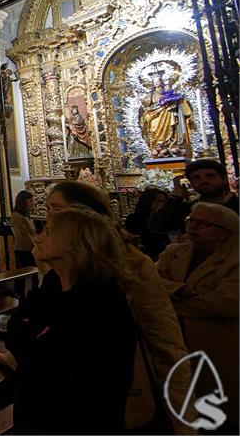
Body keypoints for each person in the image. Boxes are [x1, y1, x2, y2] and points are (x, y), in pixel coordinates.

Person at [45, 180, 193, 434]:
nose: (48, 218)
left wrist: (183, 417)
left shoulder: (132, 264)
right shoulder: (56, 263)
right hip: (65, 390)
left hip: (120, 391)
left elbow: (165, 339)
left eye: (56, 209)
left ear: (84, 214)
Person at [3, 206, 136, 434]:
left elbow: (47, 355)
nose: (37, 237)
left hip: (78, 419)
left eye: (49, 232)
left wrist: (29, 335)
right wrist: (29, 336)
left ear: (76, 244)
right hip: (38, 412)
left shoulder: (100, 298)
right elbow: (16, 328)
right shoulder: (55, 281)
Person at [158, 203, 239, 429]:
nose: (193, 227)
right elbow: (152, 285)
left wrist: (169, 304)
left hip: (221, 350)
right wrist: (182, 291)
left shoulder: (235, 260)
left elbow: (224, 304)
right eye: (190, 220)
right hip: (178, 347)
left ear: (225, 233)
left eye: (202, 223)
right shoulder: (174, 253)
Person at [149, 159, 239, 235]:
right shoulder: (188, 209)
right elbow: (157, 225)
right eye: (196, 177)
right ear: (190, 182)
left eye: (210, 176)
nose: (204, 181)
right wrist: (177, 197)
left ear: (224, 179)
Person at [125, 187, 171, 261]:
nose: (162, 205)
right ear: (148, 202)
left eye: (164, 202)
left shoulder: (162, 219)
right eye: (158, 201)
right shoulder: (134, 219)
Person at [10, 190, 37, 269]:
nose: (33, 203)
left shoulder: (26, 216)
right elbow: (23, 235)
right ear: (23, 202)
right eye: (31, 201)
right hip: (24, 250)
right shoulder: (17, 217)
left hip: (30, 249)